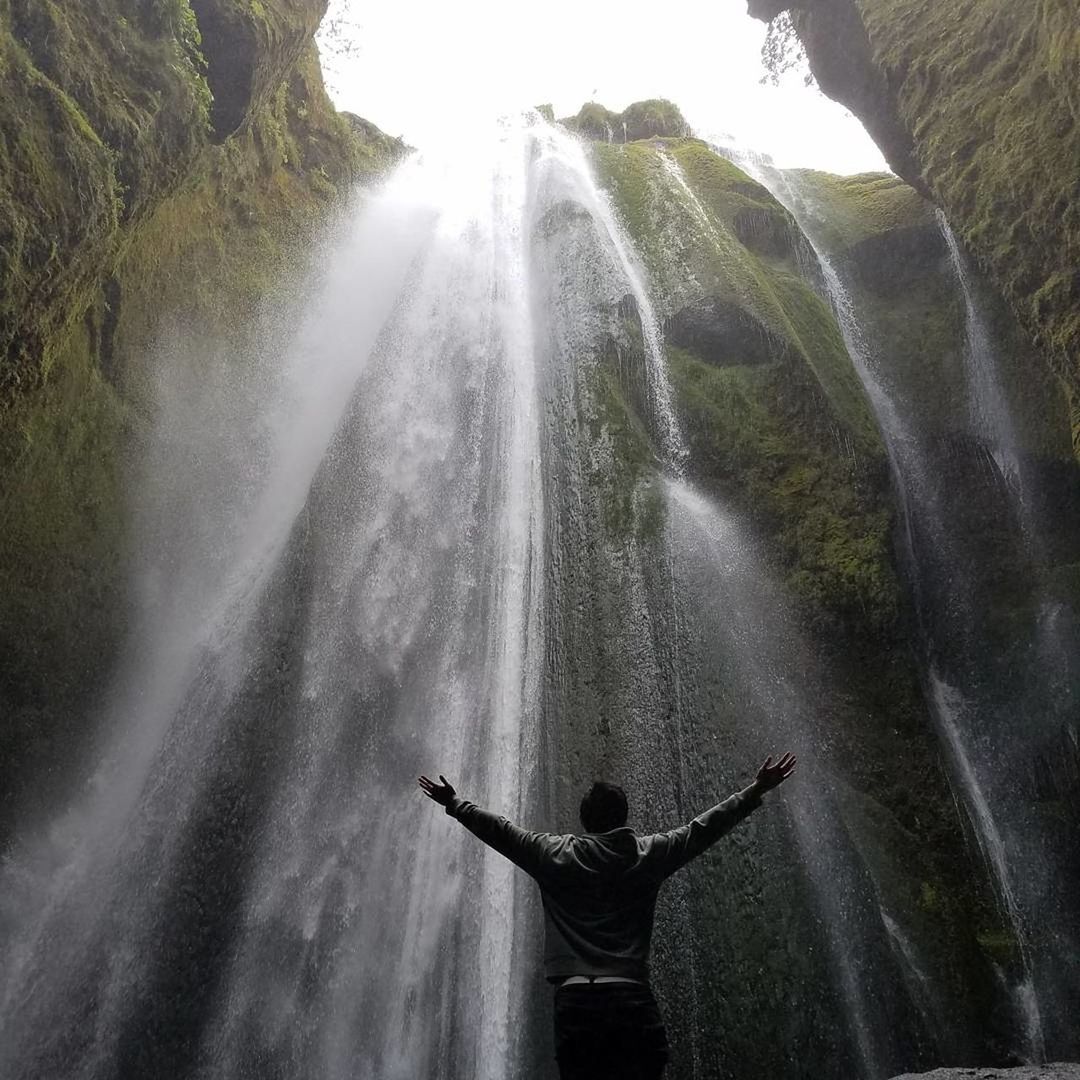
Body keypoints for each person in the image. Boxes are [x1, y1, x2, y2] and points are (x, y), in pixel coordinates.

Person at [418, 752, 796, 1078]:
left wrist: (455, 804)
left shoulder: (552, 854)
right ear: (623, 817)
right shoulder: (649, 854)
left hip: (576, 1003)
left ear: (584, 820)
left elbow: (501, 831)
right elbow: (701, 830)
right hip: (630, 999)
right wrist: (754, 790)